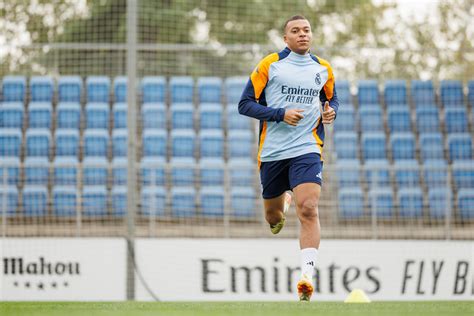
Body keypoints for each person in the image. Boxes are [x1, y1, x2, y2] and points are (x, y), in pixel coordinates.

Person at [238, 15, 339, 301]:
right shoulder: (270, 65)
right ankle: (282, 201)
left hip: (308, 147)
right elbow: (244, 105)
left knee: (309, 207)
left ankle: (306, 276)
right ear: (286, 39)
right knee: (274, 218)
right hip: (272, 152)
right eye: (295, 31)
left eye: (306, 30)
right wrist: (279, 114)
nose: (302, 34)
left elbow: (332, 100)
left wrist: (331, 112)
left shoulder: (323, 69)